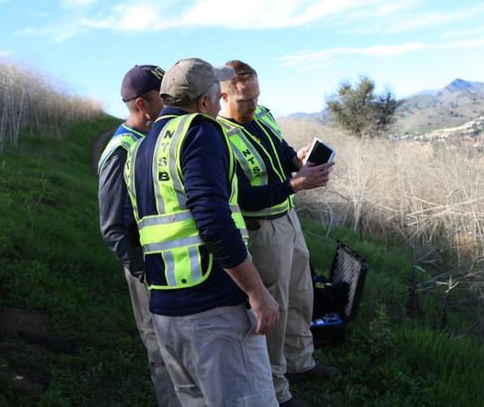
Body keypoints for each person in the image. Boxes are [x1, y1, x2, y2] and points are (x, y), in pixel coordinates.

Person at [124, 58, 280, 407]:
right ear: (205, 102)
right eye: (215, 89)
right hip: (214, 314)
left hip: (166, 313)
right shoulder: (199, 130)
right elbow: (212, 220)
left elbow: (133, 231)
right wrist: (256, 292)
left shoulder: (137, 150)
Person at [218, 60, 339, 407]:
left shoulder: (263, 114)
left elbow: (282, 153)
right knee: (275, 307)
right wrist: (294, 184)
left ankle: (301, 363)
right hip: (262, 231)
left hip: (289, 220)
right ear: (223, 96)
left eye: (257, 97)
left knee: (302, 296)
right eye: (245, 101)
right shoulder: (217, 136)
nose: (254, 106)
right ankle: (276, 389)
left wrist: (298, 161)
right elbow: (239, 196)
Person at [97, 64, 179, 407]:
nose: (171, 104)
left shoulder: (153, 138)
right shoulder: (120, 152)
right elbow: (113, 229)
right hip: (148, 271)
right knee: (161, 349)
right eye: (164, 98)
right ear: (143, 105)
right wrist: (146, 272)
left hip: (173, 268)